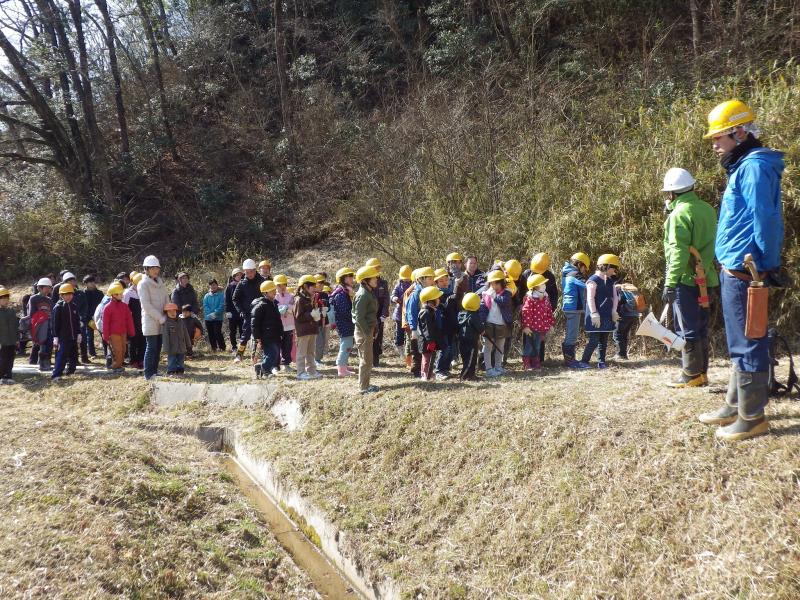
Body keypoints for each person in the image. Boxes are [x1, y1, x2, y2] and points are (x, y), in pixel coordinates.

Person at [697, 100, 785, 441]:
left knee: (749, 339)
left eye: (719, 137)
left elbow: (766, 218)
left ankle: (752, 417)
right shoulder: (745, 165)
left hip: (747, 268)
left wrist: (766, 263)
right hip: (735, 266)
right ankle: (735, 406)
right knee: (740, 339)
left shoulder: (753, 167)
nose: (715, 145)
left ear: (740, 132)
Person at [658, 167, 719, 384]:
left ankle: (691, 375)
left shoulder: (679, 214)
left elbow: (678, 252)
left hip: (687, 280)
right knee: (702, 326)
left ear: (672, 193)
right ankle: (701, 373)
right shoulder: (707, 209)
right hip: (708, 279)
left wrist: (670, 283)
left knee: (687, 328)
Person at [578, 254, 620, 369]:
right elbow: (590, 298)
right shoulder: (593, 280)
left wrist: (614, 311)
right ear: (606, 266)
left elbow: (615, 297)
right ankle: (584, 361)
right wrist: (594, 313)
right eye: (613, 268)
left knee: (604, 340)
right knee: (594, 340)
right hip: (595, 315)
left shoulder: (611, 281)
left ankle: (601, 362)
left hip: (607, 314)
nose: (614, 271)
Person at [522, 253, 559, 364]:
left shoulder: (550, 276)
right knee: (528, 339)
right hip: (529, 313)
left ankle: (538, 359)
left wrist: (549, 311)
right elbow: (522, 291)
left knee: (539, 339)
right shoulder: (527, 273)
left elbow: (554, 295)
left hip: (542, 314)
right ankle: (526, 360)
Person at [138, 255, 171, 380]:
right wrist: (159, 317)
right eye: (153, 268)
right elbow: (146, 305)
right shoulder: (143, 284)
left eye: (157, 268)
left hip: (162, 319)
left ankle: (155, 371)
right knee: (151, 347)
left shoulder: (161, 283)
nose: (156, 270)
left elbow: (166, 299)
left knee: (158, 348)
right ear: (146, 269)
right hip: (151, 320)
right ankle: (148, 374)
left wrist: (168, 312)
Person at [479, 270, 513, 377]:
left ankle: (498, 367)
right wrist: (482, 323)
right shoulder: (487, 294)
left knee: (500, 347)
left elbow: (504, 301)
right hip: (489, 323)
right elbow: (483, 309)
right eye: (492, 283)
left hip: (502, 324)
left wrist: (493, 296)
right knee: (488, 347)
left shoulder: (507, 292)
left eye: (497, 283)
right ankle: (488, 369)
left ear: (502, 282)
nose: (494, 286)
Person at [352, 265, 380, 393]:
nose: (376, 280)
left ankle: (366, 385)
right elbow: (359, 317)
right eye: (373, 278)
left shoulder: (368, 292)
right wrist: (368, 332)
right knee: (365, 360)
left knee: (368, 359)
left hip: (368, 329)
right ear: (365, 280)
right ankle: (363, 388)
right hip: (364, 331)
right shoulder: (362, 295)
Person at [404, 267, 436, 378]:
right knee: (417, 351)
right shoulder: (416, 293)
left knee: (423, 349)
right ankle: (417, 372)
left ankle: (424, 372)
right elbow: (411, 312)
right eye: (430, 278)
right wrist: (413, 329)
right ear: (421, 279)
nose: (433, 280)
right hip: (416, 327)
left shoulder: (426, 291)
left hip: (423, 326)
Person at [561, 252, 590, 368]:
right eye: (584, 268)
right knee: (572, 335)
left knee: (571, 334)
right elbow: (588, 285)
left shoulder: (568, 272)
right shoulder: (574, 274)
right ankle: (570, 361)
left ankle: (569, 360)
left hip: (570, 306)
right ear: (580, 264)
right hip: (573, 307)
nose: (584, 271)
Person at [232, 259, 264, 362]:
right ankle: (239, 354)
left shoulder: (262, 281)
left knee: (261, 334)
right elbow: (235, 298)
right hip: (248, 314)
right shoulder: (242, 283)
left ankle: (256, 356)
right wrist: (241, 311)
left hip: (262, 313)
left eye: (251, 271)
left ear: (255, 270)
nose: (249, 274)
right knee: (245, 335)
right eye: (247, 272)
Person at [520, 274, 555, 370]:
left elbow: (549, 311)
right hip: (531, 328)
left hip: (541, 327)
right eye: (542, 284)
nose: (544, 286)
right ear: (535, 287)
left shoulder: (545, 297)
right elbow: (526, 312)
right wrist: (526, 326)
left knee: (537, 345)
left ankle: (535, 362)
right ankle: (527, 363)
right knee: (529, 346)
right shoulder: (530, 298)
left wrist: (550, 324)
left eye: (544, 284)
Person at [251, 280, 283, 378]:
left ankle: (262, 369)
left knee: (274, 354)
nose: (274, 291)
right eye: (271, 290)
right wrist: (257, 337)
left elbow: (278, 320)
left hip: (275, 334)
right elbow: (254, 323)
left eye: (274, 289)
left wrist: (281, 332)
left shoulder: (274, 304)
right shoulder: (261, 306)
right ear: (265, 293)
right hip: (266, 335)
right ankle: (264, 368)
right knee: (272, 353)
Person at [101, 281, 135, 373]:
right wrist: (106, 335)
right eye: (120, 294)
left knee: (123, 350)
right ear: (114, 295)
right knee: (117, 350)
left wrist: (131, 331)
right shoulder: (107, 308)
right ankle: (115, 366)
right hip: (113, 333)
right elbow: (105, 323)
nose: (122, 295)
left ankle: (118, 366)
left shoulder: (124, 306)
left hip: (123, 332)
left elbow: (129, 319)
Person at [293, 275, 322, 380]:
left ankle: (312, 371)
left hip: (312, 329)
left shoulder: (311, 298)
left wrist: (318, 313)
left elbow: (313, 312)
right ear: (305, 286)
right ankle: (300, 373)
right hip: (303, 331)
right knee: (301, 353)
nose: (315, 288)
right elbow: (298, 316)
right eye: (312, 286)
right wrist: (311, 314)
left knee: (311, 352)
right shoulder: (299, 300)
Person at [51, 283, 81, 382]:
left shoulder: (74, 306)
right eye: (65, 294)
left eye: (70, 294)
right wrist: (55, 337)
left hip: (73, 336)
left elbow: (77, 322)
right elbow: (55, 323)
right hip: (63, 337)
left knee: (74, 355)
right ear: (61, 295)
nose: (68, 296)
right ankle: (56, 374)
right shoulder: (58, 307)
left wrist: (79, 333)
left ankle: (71, 371)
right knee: (62, 355)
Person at [329, 267, 356, 377]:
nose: (352, 279)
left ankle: (343, 364)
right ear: (342, 279)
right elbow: (344, 311)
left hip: (347, 323)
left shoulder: (345, 291)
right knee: (346, 345)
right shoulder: (341, 294)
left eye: (351, 276)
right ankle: (341, 369)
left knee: (346, 344)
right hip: (344, 323)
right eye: (349, 277)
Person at [434, 268, 458, 379]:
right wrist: (448, 302)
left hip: (452, 325)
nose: (444, 282)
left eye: (446, 280)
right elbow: (440, 309)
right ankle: (439, 370)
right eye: (441, 281)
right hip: (442, 326)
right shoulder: (435, 295)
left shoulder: (452, 292)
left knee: (451, 349)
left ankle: (446, 369)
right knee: (445, 348)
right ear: (436, 283)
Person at [365, 258, 389, 367]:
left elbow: (386, 299)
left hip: (380, 315)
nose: (377, 270)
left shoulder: (383, 283)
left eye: (378, 268)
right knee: (370, 337)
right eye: (375, 268)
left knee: (378, 337)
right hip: (370, 315)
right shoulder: (366, 284)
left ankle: (376, 360)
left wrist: (384, 314)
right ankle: (369, 360)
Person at [612, 278, 644, 361]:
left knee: (617, 334)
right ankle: (624, 354)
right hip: (633, 315)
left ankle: (620, 355)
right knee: (624, 335)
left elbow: (619, 301)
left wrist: (616, 311)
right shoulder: (631, 289)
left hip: (624, 315)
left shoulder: (620, 290)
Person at [418, 286, 446, 381]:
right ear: (431, 300)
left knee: (429, 357)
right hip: (426, 341)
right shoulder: (425, 312)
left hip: (430, 340)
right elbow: (427, 329)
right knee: (426, 358)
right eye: (437, 298)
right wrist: (430, 341)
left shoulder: (431, 311)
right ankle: (425, 375)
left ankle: (429, 373)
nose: (439, 300)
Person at [28, 277, 54, 371]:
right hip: (39, 324)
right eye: (47, 287)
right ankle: (42, 364)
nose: (49, 289)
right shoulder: (34, 298)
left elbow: (52, 312)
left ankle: (47, 362)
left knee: (49, 344)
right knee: (42, 344)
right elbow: (31, 314)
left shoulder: (50, 300)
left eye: (50, 288)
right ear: (40, 288)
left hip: (49, 325)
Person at [457, 292, 484, 380]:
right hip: (471, 342)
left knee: (466, 360)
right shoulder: (474, 316)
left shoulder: (461, 314)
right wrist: (483, 331)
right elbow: (480, 328)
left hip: (462, 341)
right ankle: (464, 376)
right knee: (470, 361)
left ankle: (471, 375)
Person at [162, 302, 192, 376]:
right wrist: (166, 348)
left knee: (181, 359)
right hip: (172, 347)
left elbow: (185, 333)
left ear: (176, 311)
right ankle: (171, 370)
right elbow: (165, 336)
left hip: (181, 346)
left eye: (174, 311)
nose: (172, 313)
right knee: (171, 359)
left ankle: (180, 370)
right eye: (170, 311)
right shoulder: (166, 323)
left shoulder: (180, 321)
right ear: (166, 313)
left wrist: (188, 344)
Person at [123, 272, 145, 370]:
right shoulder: (127, 293)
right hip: (132, 321)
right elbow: (124, 308)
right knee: (133, 341)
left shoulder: (143, 292)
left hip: (143, 320)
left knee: (143, 340)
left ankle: (141, 359)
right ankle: (133, 361)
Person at [390, 265, 413, 356]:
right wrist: (395, 298)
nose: (406, 280)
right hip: (399, 314)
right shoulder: (398, 286)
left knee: (409, 333)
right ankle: (400, 348)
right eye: (404, 278)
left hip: (409, 313)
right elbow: (393, 295)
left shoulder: (413, 285)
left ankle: (409, 350)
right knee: (399, 333)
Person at [274, 274, 295, 370]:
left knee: (287, 345)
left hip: (290, 325)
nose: (281, 287)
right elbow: (275, 309)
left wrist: (286, 308)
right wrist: (282, 309)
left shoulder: (291, 296)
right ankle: (275, 365)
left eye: (283, 284)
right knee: (277, 345)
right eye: (279, 285)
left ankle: (286, 364)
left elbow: (292, 307)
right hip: (278, 325)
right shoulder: (274, 297)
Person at [0, 286, 19, 384]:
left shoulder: (11, 311)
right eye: (3, 298)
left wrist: (17, 339)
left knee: (10, 359)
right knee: (2, 359)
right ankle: (2, 377)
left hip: (12, 341)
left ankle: (8, 375)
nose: (5, 300)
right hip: (2, 342)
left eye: (7, 298)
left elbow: (16, 326)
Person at [203, 279, 226, 352]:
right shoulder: (206, 296)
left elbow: (222, 305)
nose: (213, 286)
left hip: (218, 318)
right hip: (208, 318)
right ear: (209, 286)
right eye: (211, 285)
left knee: (217, 332)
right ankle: (214, 348)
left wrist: (215, 313)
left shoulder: (221, 295)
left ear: (217, 285)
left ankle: (222, 347)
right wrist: (210, 314)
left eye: (214, 285)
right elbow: (205, 305)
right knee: (211, 333)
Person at [83, 275, 103, 359]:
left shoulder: (99, 293)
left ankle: (107, 352)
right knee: (89, 336)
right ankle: (92, 353)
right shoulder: (83, 293)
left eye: (93, 281)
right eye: (90, 282)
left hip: (99, 317)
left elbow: (102, 305)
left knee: (103, 334)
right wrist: (88, 316)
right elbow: (83, 307)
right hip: (88, 318)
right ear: (86, 284)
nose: (92, 283)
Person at [313, 273, 331, 367]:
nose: (321, 285)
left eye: (322, 283)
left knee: (323, 340)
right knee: (318, 341)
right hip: (315, 321)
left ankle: (319, 358)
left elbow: (328, 306)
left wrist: (326, 308)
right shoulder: (312, 295)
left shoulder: (324, 294)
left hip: (324, 320)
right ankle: (316, 359)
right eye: (319, 283)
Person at [225, 268, 244, 352]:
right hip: (232, 313)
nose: (239, 276)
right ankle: (234, 347)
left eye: (240, 275)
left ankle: (242, 347)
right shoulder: (230, 286)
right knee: (232, 331)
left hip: (241, 312)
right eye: (237, 275)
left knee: (242, 330)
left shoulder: (244, 284)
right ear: (233, 276)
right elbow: (227, 300)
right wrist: (227, 311)